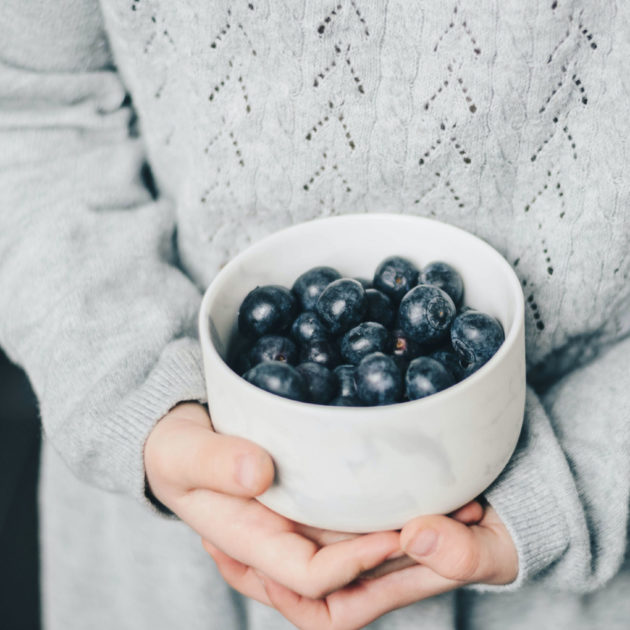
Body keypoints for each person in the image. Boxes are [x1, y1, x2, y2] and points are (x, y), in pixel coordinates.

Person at [1, 0, 628, 628]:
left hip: (569, 574)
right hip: (178, 559)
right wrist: (135, 391)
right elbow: (35, 112)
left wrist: (583, 477)